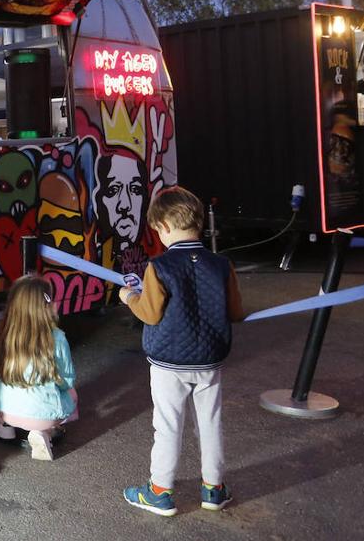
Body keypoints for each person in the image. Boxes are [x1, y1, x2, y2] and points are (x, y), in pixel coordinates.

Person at [118, 185, 245, 516]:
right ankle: (214, 490)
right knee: (211, 422)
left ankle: (160, 492)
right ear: (198, 223)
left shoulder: (158, 267)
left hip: (168, 362)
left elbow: (150, 313)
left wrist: (129, 297)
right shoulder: (221, 264)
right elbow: (236, 313)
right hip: (210, 360)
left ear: (162, 228)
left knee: (168, 425)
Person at [0, 275, 79, 461]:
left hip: (6, 410)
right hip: (42, 417)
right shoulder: (56, 338)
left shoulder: (3, 334)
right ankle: (44, 432)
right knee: (71, 393)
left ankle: (4, 426)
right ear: (46, 306)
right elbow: (67, 380)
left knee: (9, 391)